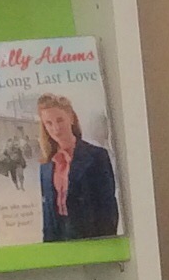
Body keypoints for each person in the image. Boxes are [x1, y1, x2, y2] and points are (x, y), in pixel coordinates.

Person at [37, 94, 120, 241]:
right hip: (58, 240)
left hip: (90, 237)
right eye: (49, 123)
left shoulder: (96, 156)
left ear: (71, 118)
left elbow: (108, 208)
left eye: (60, 120)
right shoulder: (46, 165)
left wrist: (104, 245)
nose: (56, 128)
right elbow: (48, 214)